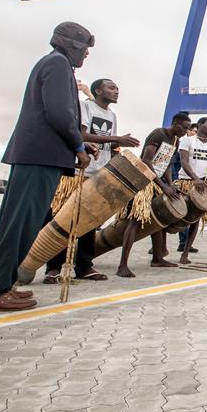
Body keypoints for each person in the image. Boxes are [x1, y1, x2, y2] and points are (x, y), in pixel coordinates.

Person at [0, 22, 95, 311]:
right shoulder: (58, 64)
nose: (86, 55)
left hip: (38, 155)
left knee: (16, 224)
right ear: (73, 45)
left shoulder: (54, 63)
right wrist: (78, 146)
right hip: (41, 157)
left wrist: (78, 142)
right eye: (85, 49)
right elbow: (60, 113)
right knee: (20, 226)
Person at [43, 79, 140, 284]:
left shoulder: (112, 115)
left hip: (99, 174)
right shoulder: (86, 106)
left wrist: (115, 160)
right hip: (78, 173)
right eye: (111, 88)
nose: (116, 91)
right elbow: (81, 134)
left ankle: (84, 266)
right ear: (98, 90)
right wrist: (117, 139)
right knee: (62, 218)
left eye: (117, 88)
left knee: (90, 221)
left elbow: (112, 145)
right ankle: (53, 267)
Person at [114, 112, 191, 277]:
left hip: (158, 182)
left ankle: (157, 258)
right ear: (175, 123)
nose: (186, 131)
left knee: (159, 220)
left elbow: (167, 164)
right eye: (184, 127)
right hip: (143, 180)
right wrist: (163, 187)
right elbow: (147, 161)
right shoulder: (158, 134)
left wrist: (170, 184)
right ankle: (122, 266)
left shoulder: (175, 141)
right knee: (135, 221)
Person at [176, 117, 207, 264]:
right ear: (199, 125)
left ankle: (185, 254)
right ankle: (159, 249)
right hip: (186, 182)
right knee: (176, 216)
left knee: (195, 220)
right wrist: (195, 178)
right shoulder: (187, 141)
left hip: (202, 186)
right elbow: (183, 162)